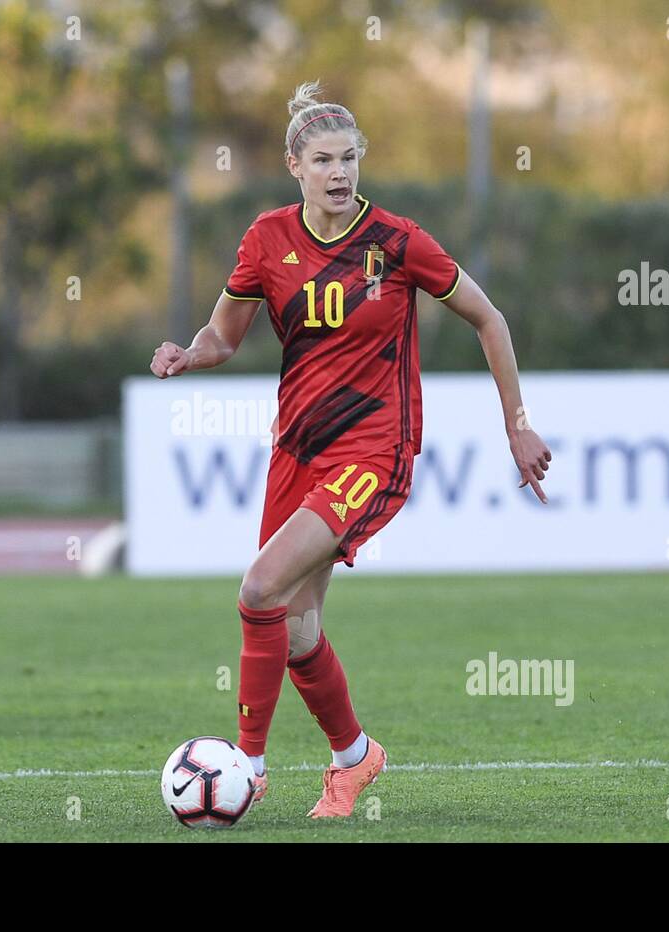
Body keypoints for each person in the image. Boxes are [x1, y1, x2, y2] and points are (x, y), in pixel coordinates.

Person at [150, 82, 552, 817]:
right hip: (296, 449)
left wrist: (516, 423)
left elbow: (488, 319)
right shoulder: (266, 240)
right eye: (324, 160)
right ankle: (355, 759)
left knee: (257, 588)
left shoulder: (397, 242)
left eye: (350, 159)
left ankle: (249, 765)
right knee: (297, 628)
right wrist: (189, 353)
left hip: (374, 449)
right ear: (294, 165)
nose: (340, 173)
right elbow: (225, 335)